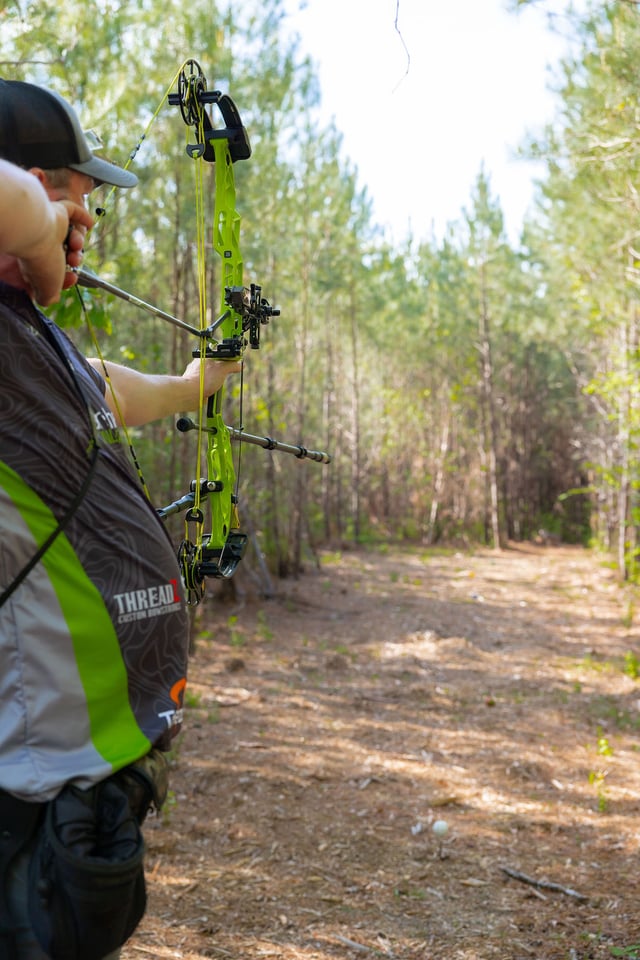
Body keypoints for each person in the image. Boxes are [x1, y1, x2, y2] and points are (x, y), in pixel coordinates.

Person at [0, 80, 237, 959]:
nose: (87, 222)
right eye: (76, 194)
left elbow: (108, 390)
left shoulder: (32, 340)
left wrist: (194, 385)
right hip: (18, 793)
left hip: (78, 787)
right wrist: (41, 232)